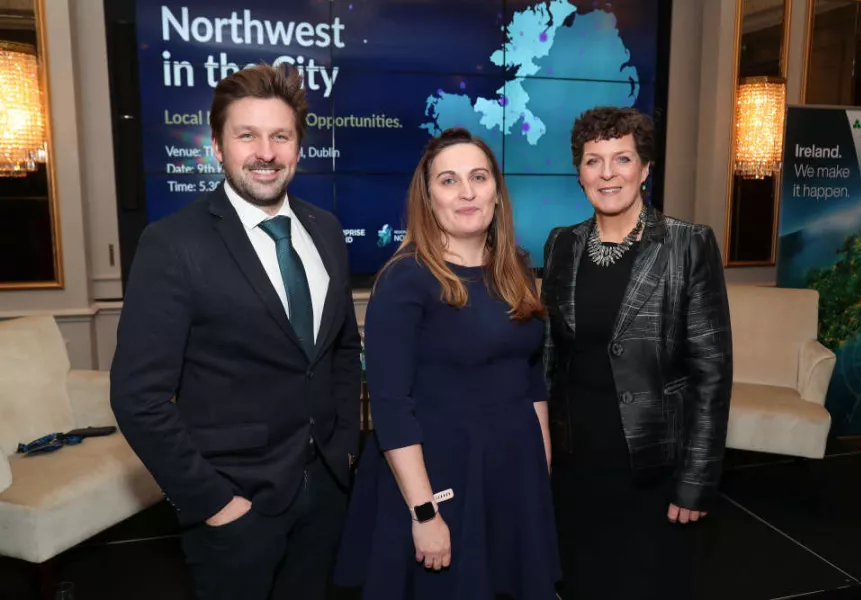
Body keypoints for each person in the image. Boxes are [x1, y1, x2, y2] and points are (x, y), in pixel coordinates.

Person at [110, 64, 361, 600]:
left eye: (280, 136)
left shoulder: (328, 231)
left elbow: (341, 349)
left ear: (298, 147)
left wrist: (343, 451)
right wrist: (214, 504)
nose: (265, 152)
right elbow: (138, 398)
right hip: (235, 510)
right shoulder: (172, 244)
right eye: (246, 135)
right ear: (218, 147)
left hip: (326, 495)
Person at [334, 128, 559, 599]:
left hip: (511, 477)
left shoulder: (515, 268)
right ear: (428, 196)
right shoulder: (404, 279)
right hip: (440, 484)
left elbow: (532, 378)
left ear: (497, 192)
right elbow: (391, 408)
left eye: (478, 177)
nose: (467, 192)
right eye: (449, 180)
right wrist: (424, 513)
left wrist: (539, 472)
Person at [542, 107, 733, 599]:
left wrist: (696, 478)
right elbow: (548, 358)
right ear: (579, 172)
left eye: (621, 159)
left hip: (652, 466)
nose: (607, 173)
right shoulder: (561, 244)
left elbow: (712, 374)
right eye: (593, 161)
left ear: (645, 169)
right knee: (581, 581)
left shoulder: (688, 244)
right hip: (574, 463)